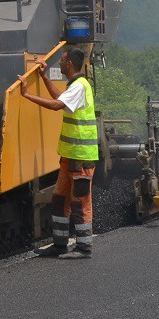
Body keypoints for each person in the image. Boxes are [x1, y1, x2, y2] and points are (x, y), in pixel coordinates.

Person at [19, 47, 99, 258]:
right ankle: (60, 244)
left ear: (69, 64)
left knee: (80, 202)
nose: (60, 63)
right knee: (60, 199)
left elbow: (56, 105)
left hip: (81, 158)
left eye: (62, 60)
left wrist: (26, 95)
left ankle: (84, 247)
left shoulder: (80, 86)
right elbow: (61, 98)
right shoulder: (75, 86)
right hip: (70, 156)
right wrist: (44, 77)